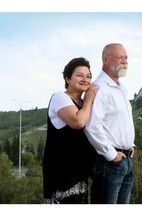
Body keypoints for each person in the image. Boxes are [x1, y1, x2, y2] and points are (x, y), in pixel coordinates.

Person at [84, 43, 135, 204]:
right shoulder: (99, 88)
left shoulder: (121, 88)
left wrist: (130, 144)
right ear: (105, 60)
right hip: (109, 163)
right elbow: (92, 126)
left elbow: (119, 121)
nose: (124, 61)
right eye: (120, 57)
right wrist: (111, 154)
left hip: (126, 160)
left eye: (126, 58)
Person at [42, 57, 98, 204]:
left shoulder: (84, 104)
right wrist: (89, 100)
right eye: (80, 75)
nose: (85, 79)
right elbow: (78, 122)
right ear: (67, 78)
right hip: (62, 177)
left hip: (81, 175)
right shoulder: (60, 97)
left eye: (89, 76)